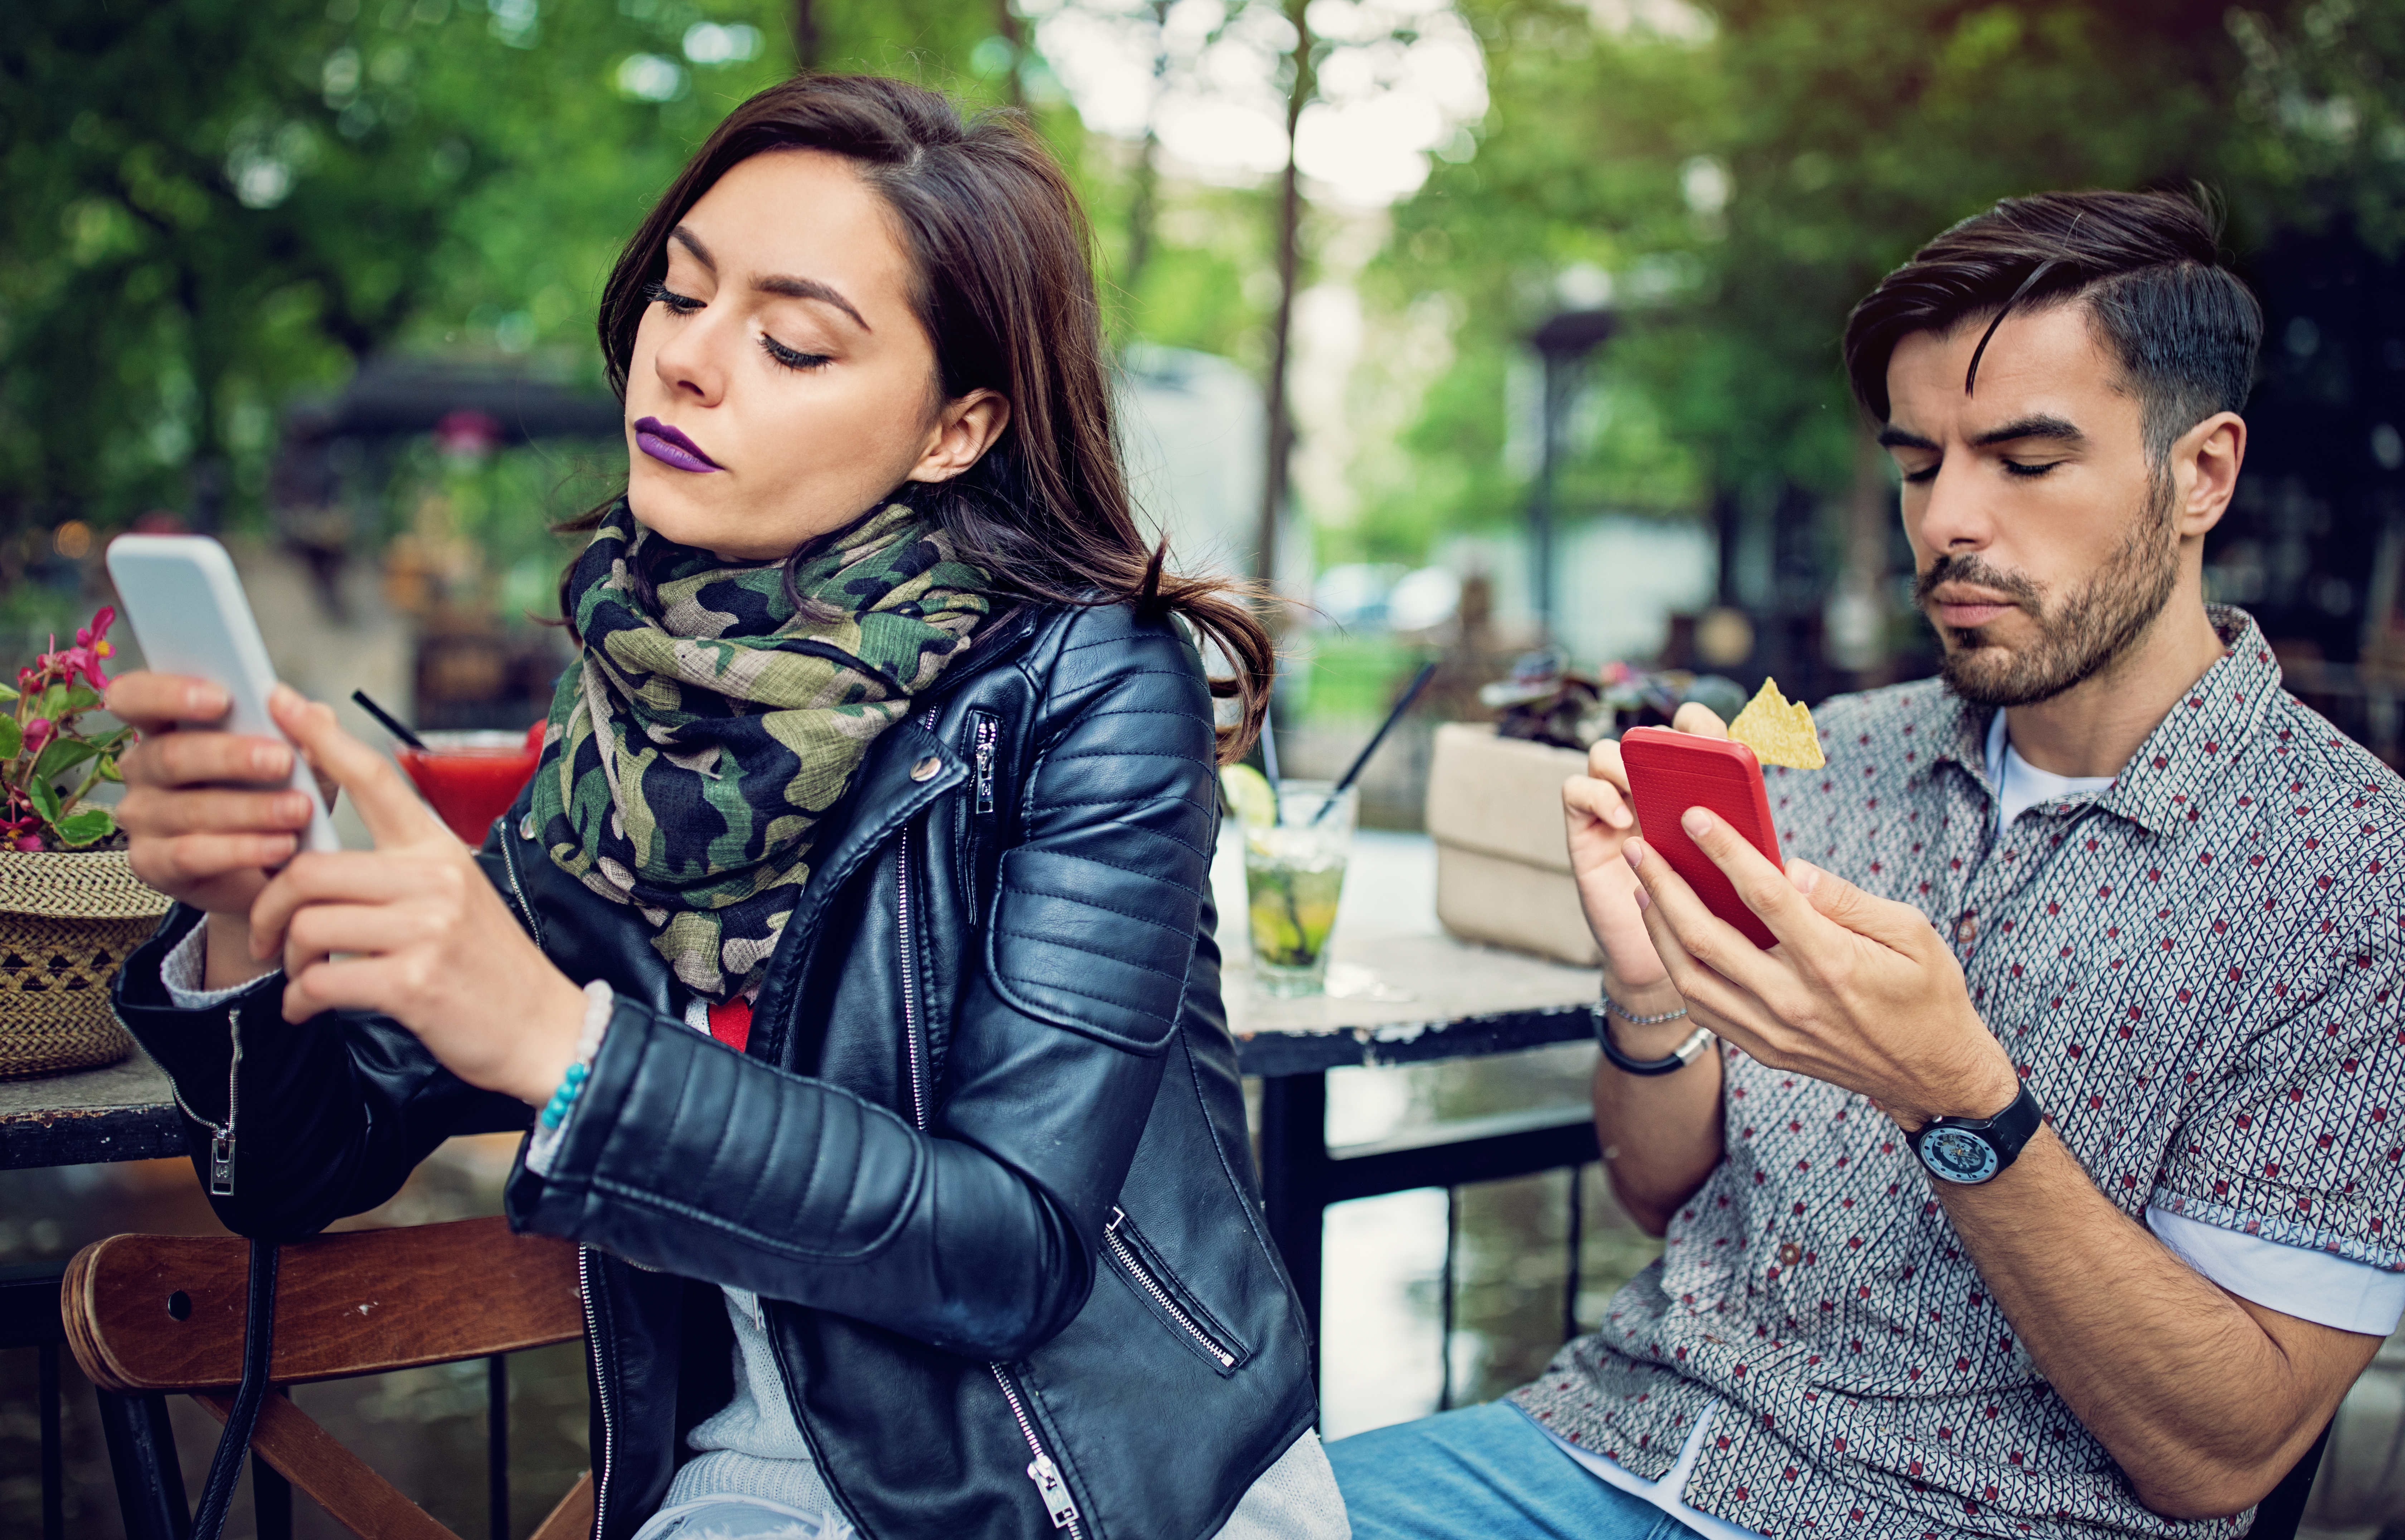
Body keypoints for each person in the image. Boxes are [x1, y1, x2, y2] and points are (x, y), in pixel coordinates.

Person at [108, 75, 1342, 1540]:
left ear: (958, 427)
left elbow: (1009, 1251)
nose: (686, 362)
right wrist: (251, 916)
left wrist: (565, 1051)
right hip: (753, 1476)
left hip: (1106, 1484)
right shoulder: (632, 724)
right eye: (679, 297)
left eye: (794, 341)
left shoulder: (1086, 686)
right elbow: (301, 1172)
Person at [1329, 188, 2405, 1538]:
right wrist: (1652, 983)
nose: (1949, 520)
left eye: (2025, 462)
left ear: (2201, 474)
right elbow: (1660, 1191)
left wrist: (1955, 1096)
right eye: (1917, 464)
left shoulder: (2357, 880)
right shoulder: (1832, 755)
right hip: (1609, 1440)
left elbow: (2222, 1454)